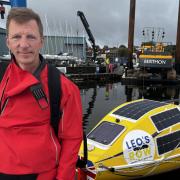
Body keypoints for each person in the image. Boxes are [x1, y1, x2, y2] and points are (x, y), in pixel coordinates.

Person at [0, 7, 83, 180]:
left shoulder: (64, 88)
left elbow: (72, 140)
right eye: (16, 37)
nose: (23, 45)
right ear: (8, 42)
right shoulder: (1, 79)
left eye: (30, 36)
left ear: (41, 41)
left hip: (43, 175)